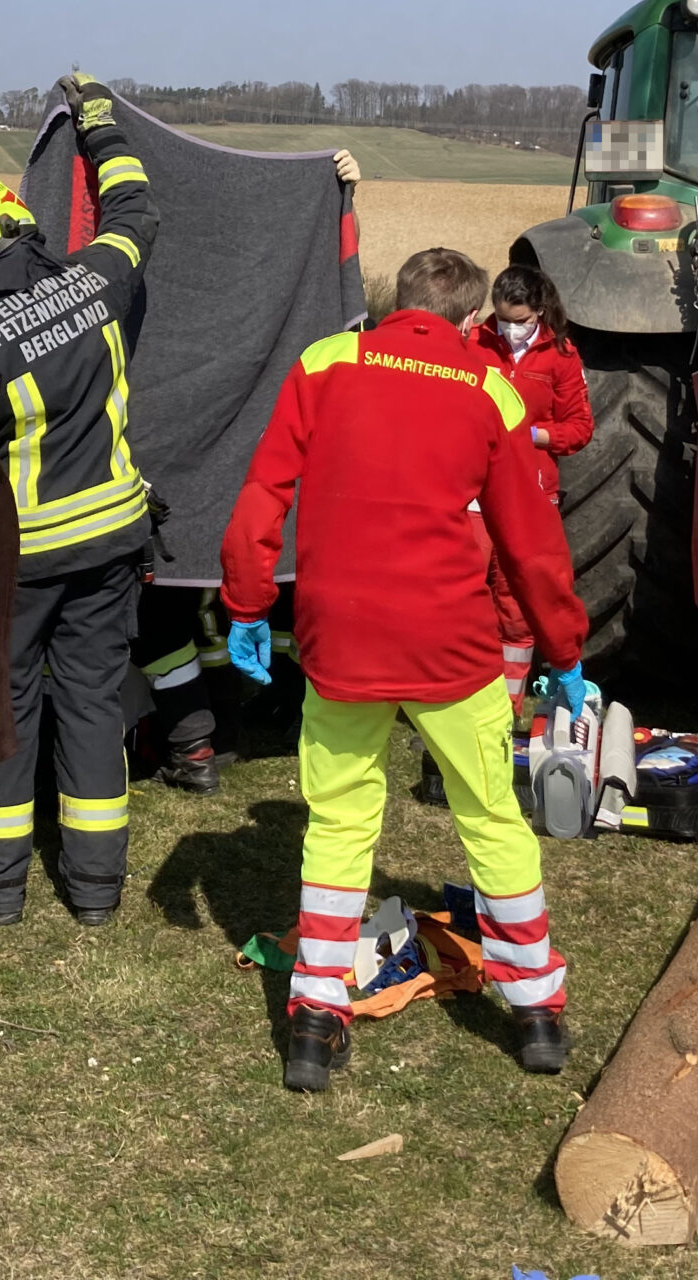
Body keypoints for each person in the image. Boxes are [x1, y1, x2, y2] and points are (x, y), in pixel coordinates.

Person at [221, 247, 588, 1092]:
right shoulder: (489, 390)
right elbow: (533, 547)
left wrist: (245, 605)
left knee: (340, 822)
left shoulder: (324, 363)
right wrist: (563, 651)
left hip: (339, 640)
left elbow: (262, 495)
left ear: (393, 304)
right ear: (471, 321)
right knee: (492, 817)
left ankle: (315, 1019)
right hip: (450, 646)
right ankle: (535, 1013)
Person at [0, 73, 156, 927]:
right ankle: (96, 892)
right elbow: (138, 213)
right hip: (109, 539)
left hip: (16, 558)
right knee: (95, 702)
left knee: (5, 711)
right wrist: (100, 121)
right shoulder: (95, 279)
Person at [143, 147, 364, 795]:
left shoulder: (166, 322)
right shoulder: (233, 321)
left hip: (170, 496)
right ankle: (232, 730)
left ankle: (199, 744)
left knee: (167, 621)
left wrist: (343, 194)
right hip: (224, 496)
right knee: (200, 614)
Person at [469, 263, 592, 711]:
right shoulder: (472, 344)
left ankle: (507, 707)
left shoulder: (561, 356)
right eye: (501, 319)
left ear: (539, 311)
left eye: (519, 321)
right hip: (472, 495)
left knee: (518, 604)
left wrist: (531, 435)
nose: (509, 329)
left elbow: (579, 428)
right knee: (463, 591)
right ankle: (452, 698)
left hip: (532, 494)